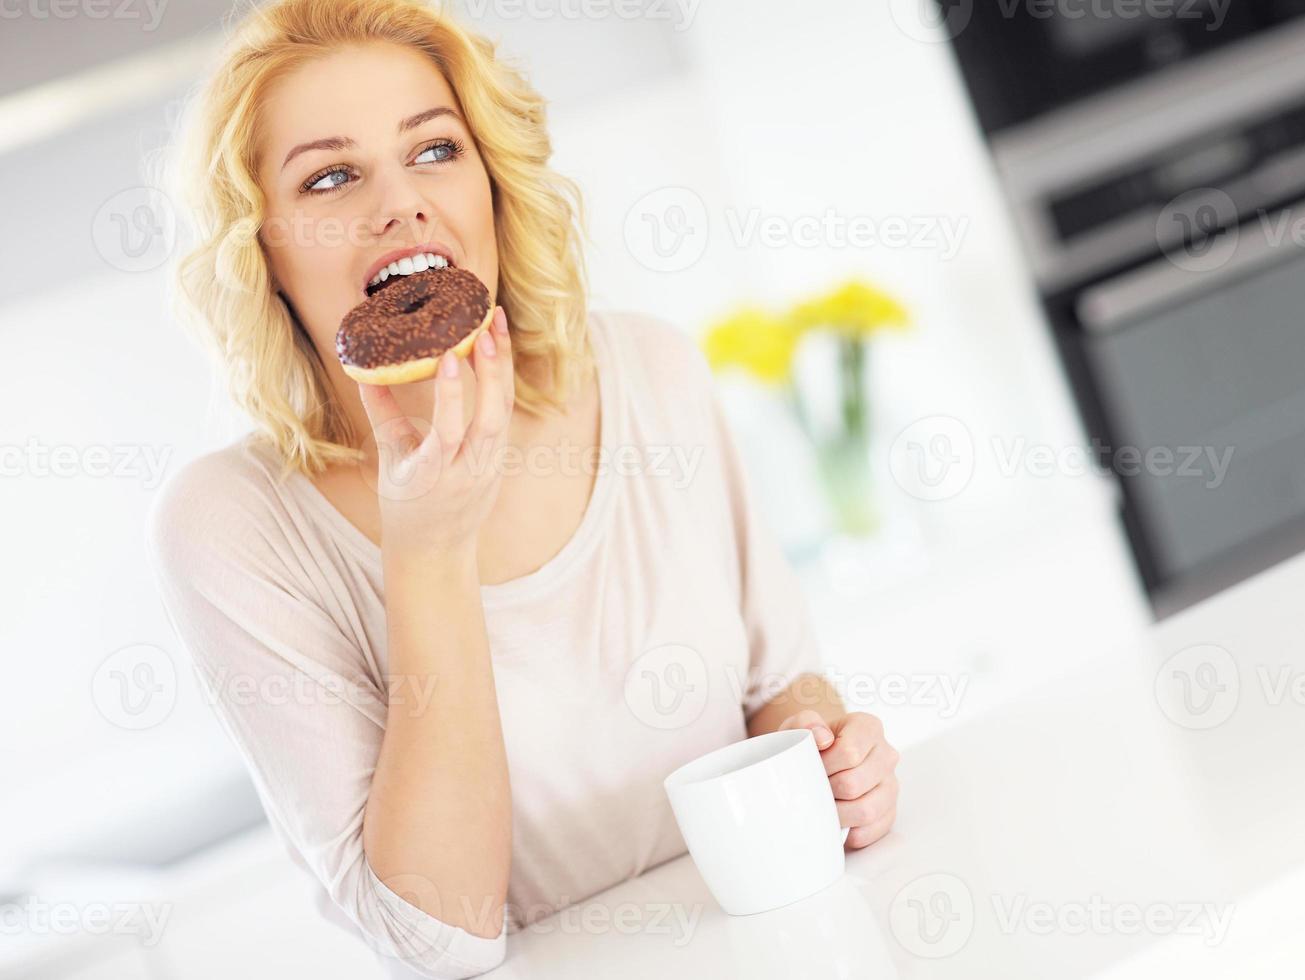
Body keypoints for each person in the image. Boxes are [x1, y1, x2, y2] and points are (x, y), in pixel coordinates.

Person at [147, 0, 899, 975]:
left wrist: (832, 757)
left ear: (493, 182)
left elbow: (781, 683)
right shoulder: (230, 525)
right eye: (331, 176)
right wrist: (428, 551)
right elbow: (442, 938)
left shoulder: (651, 372)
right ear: (263, 253)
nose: (399, 205)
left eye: (434, 150)